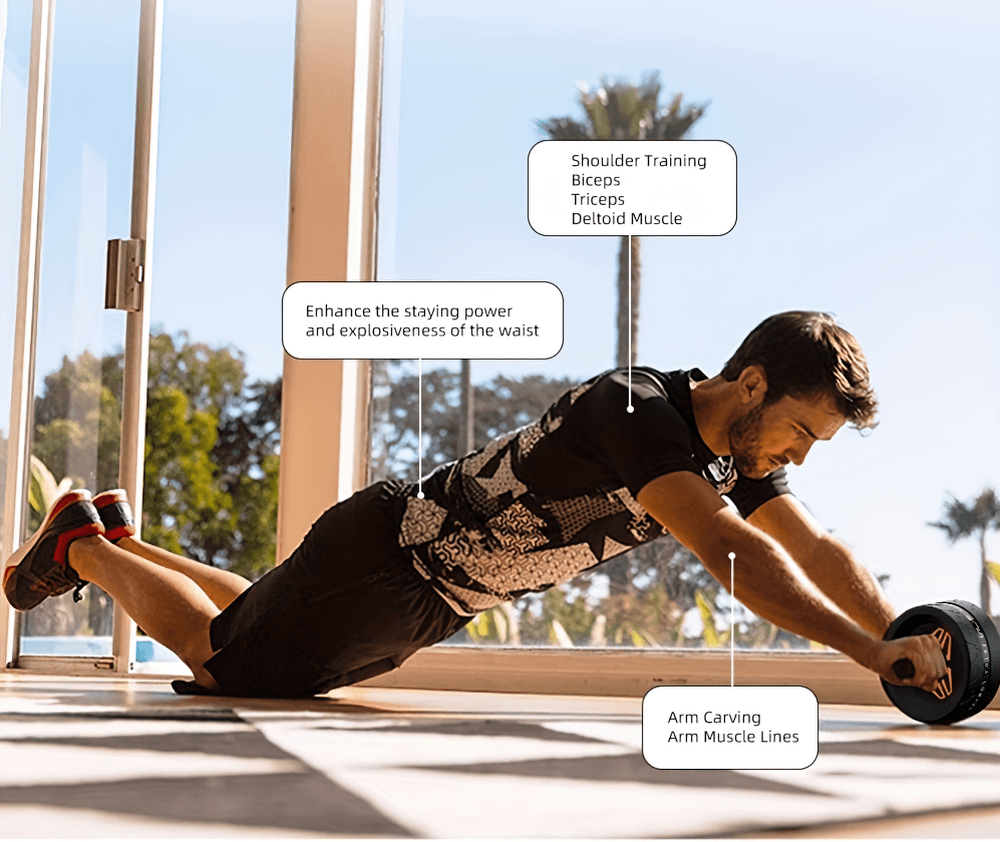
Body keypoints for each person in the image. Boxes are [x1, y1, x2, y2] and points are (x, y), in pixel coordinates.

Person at [3, 310, 946, 698]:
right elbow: (737, 556)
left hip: (425, 592)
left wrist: (901, 633)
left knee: (252, 615)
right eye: (801, 433)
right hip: (390, 562)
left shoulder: (733, 451)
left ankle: (120, 535)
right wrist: (869, 656)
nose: (798, 458)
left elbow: (812, 548)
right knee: (227, 666)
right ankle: (85, 547)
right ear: (750, 384)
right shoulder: (642, 414)